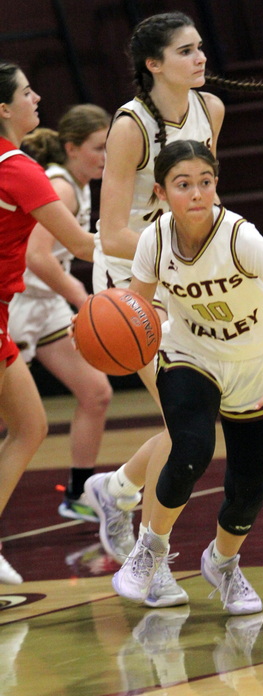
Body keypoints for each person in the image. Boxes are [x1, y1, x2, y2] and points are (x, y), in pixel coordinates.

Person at [84, 11, 263, 573]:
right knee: (185, 430)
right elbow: (112, 232)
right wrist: (175, 253)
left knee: (188, 426)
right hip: (133, 274)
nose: (201, 57)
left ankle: (118, 489)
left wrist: (216, 251)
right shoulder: (131, 127)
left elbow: (202, 197)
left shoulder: (211, 109)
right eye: (186, 51)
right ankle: (149, 560)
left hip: (185, 268)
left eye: (200, 47)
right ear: (153, 64)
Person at [110, 139, 263, 613]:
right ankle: (150, 547)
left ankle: (223, 563)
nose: (196, 193)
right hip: (191, 355)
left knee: (249, 487)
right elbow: (138, 312)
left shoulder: (242, 240)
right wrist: (98, 326)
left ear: (216, 184)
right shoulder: (154, 240)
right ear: (161, 193)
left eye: (205, 182)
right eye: (183, 184)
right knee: (190, 448)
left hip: (255, 365)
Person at [0, 61, 95, 583]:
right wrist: (161, 245)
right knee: (26, 427)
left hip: (5, 313)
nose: (36, 97)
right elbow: (81, 246)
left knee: (31, 426)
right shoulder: (19, 168)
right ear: (4, 108)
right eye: (27, 92)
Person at [9, 105, 113, 523]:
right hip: (18, 302)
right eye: (98, 147)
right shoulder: (60, 186)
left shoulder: (80, 186)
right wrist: (82, 298)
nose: (106, 156)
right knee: (18, 420)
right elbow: (35, 257)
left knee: (96, 392)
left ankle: (78, 493)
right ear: (71, 148)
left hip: (46, 303)